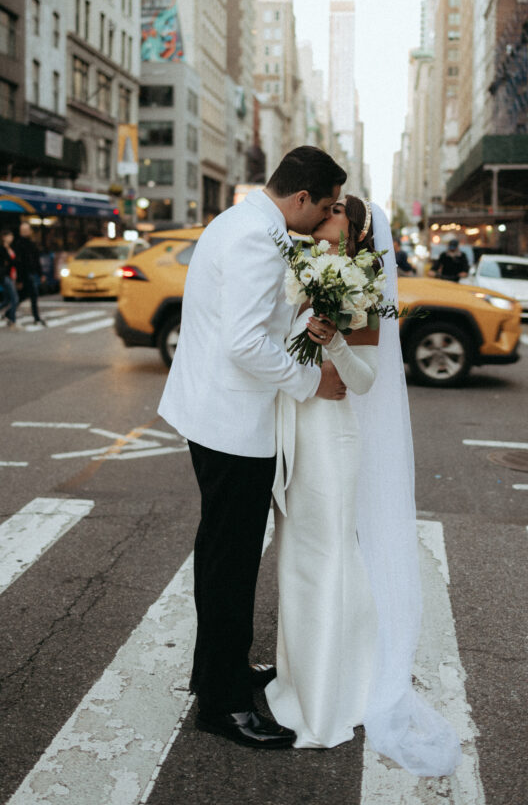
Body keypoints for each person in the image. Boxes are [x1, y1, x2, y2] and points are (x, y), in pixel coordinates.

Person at [158, 146, 348, 750]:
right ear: (299, 198)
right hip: (230, 425)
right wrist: (311, 379)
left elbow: (253, 319)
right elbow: (244, 343)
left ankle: (219, 673)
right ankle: (221, 704)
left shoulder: (242, 222)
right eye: (322, 208)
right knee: (231, 565)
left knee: (221, 554)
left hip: (217, 416)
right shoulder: (256, 240)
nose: (323, 218)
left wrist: (303, 318)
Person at [266, 197, 462, 776]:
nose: (319, 220)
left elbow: (366, 380)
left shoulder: (364, 289)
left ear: (352, 230)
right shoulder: (302, 269)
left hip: (332, 437)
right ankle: (298, 679)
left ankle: (328, 701)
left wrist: (333, 344)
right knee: (297, 560)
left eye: (331, 215)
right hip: (294, 427)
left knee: (326, 560)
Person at [14, 221, 46, 326]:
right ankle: (10, 313)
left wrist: (41, 274)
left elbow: (36, 260)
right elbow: (18, 263)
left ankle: (36, 317)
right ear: (20, 232)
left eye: (27, 230)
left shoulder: (32, 244)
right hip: (25, 275)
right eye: (23, 230)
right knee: (27, 296)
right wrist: (19, 279)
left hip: (32, 274)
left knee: (29, 296)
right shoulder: (19, 244)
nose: (25, 232)